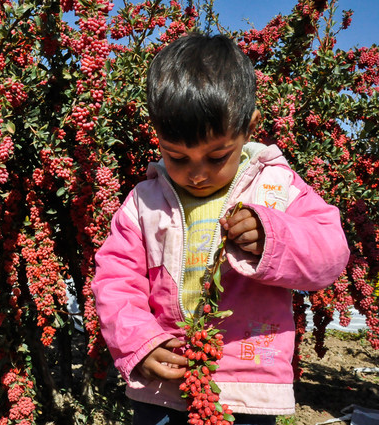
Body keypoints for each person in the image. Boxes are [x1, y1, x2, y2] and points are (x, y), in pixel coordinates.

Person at [91, 32, 350, 425]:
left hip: (249, 379)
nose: (196, 175)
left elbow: (331, 254)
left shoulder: (276, 190)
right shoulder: (143, 203)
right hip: (165, 381)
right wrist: (138, 344)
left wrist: (273, 237)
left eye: (216, 156)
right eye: (176, 157)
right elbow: (114, 280)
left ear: (249, 128)